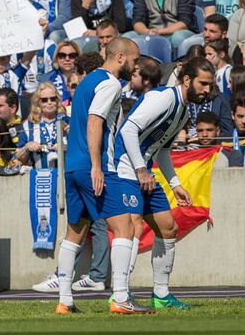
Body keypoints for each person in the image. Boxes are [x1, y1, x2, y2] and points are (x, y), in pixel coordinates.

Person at [110, 56, 214, 308]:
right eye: (203, 83)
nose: (207, 89)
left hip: (144, 170)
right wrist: (140, 169)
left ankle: (161, 295)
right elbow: (128, 130)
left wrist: (175, 184)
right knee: (130, 228)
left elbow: (163, 150)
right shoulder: (164, 98)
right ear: (187, 80)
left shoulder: (183, 109)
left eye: (210, 84)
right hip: (125, 168)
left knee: (168, 228)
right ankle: (119, 295)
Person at [52, 37, 141, 314]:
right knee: (125, 228)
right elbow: (94, 122)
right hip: (96, 166)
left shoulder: (86, 81)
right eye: (135, 60)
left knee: (74, 233)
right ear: (121, 57)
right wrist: (96, 166)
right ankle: (121, 297)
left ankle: (64, 301)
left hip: (72, 167)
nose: (136, 66)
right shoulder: (110, 83)